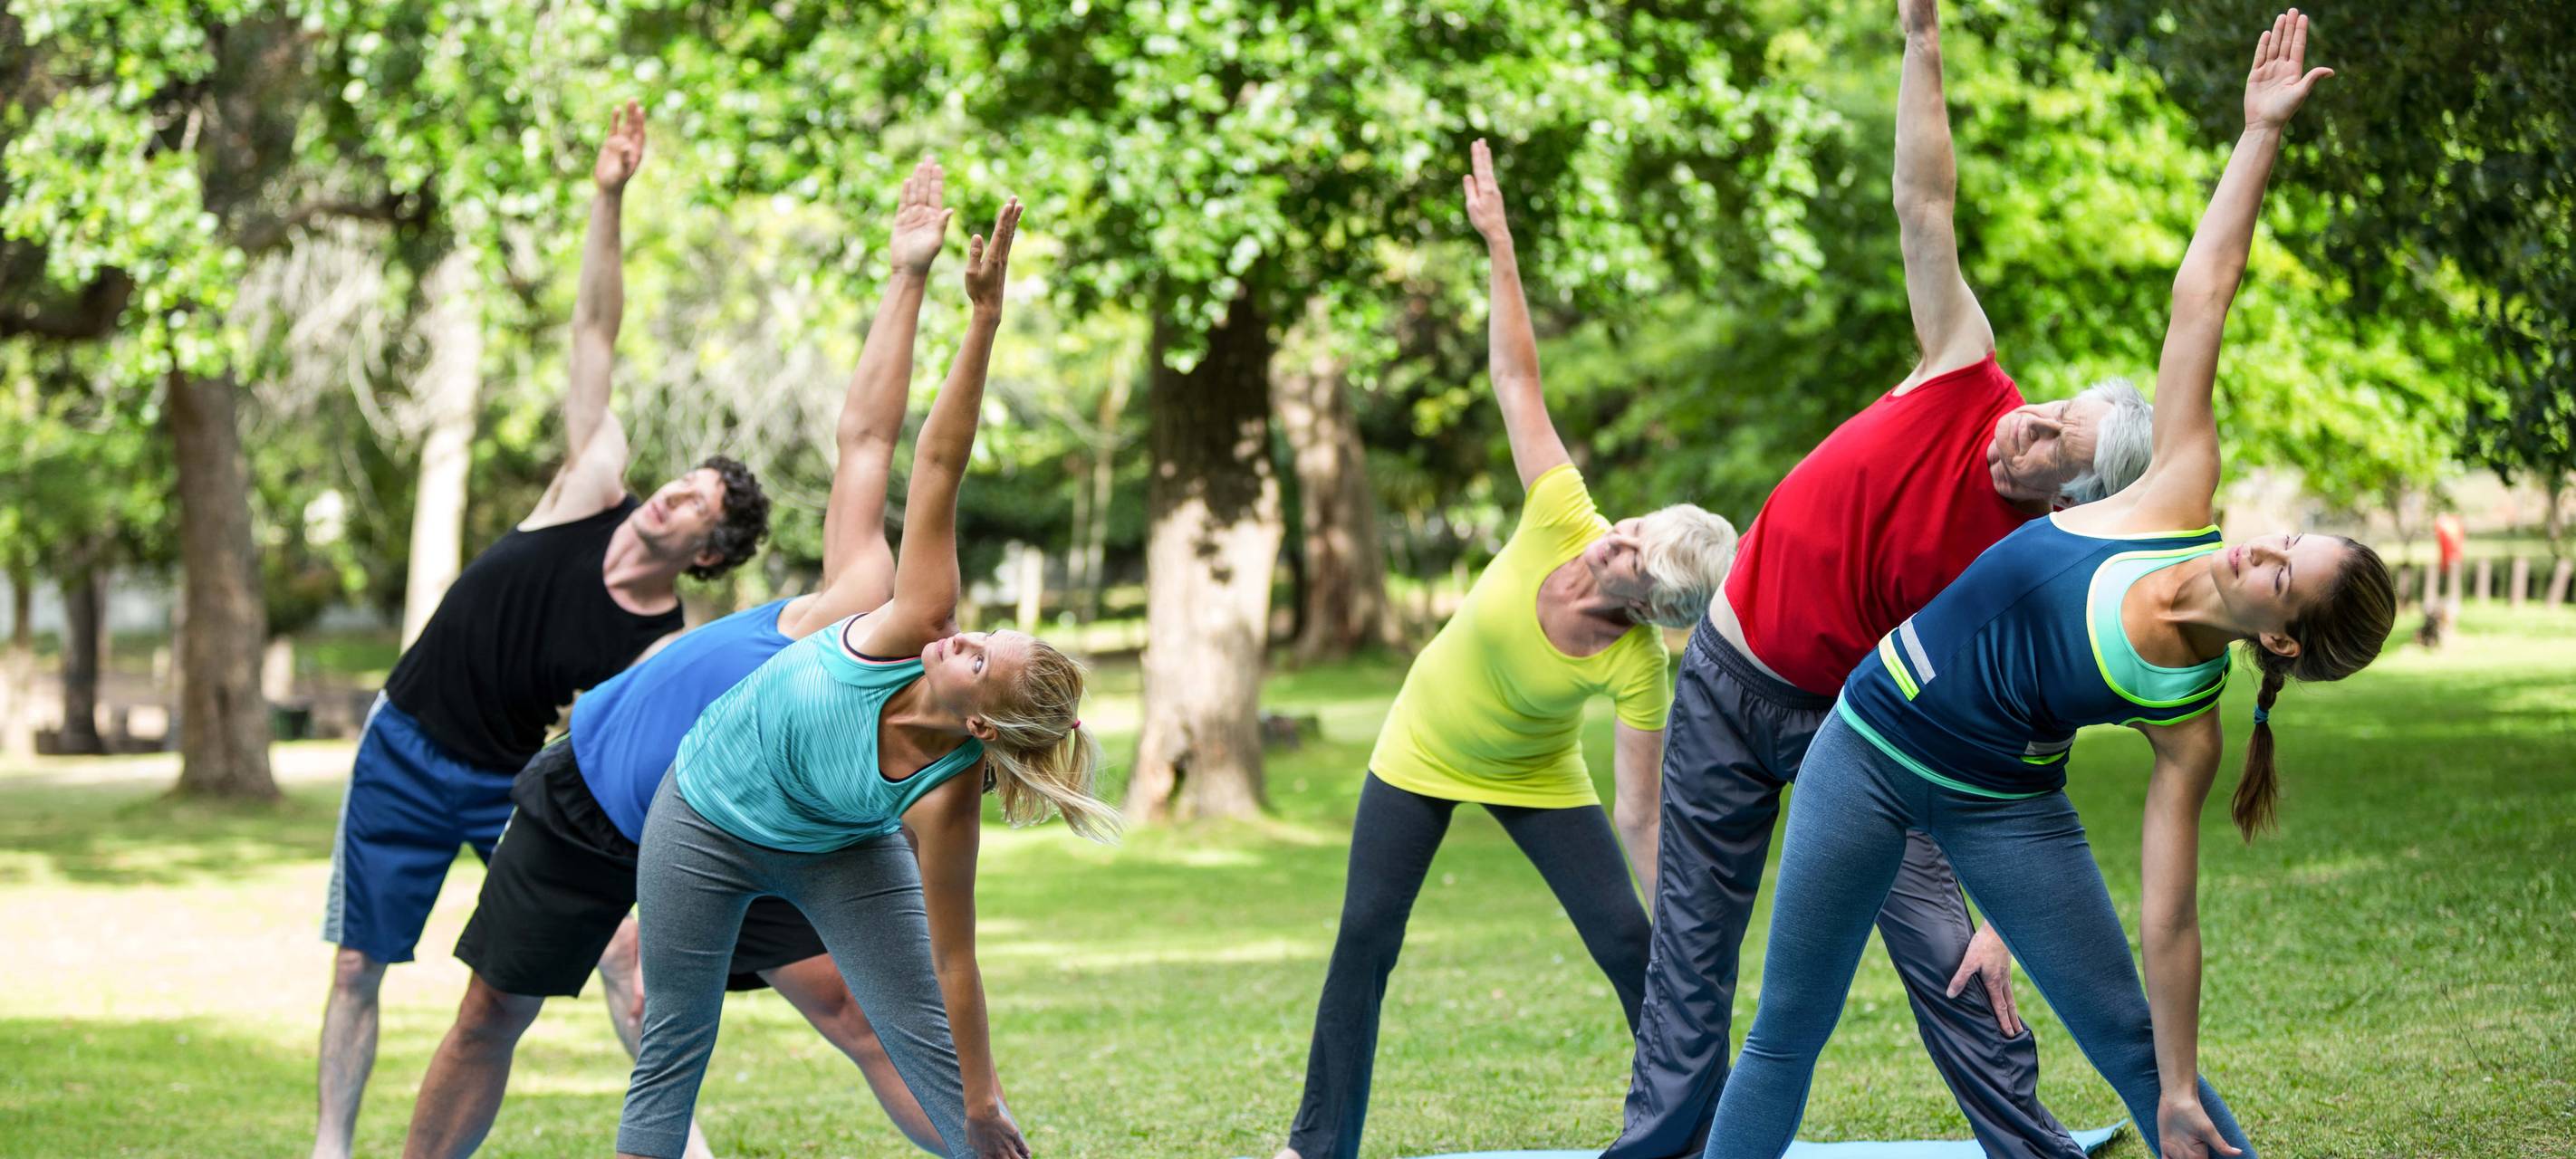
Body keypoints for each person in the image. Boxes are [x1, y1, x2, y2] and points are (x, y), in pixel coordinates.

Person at [1704, 14, 2389, 1159]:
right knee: (1787, 1029)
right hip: (1866, 742)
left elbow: (2168, 917)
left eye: (2282, 577)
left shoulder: (2187, 722)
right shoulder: (2177, 490)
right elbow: (2202, 291)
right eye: (2286, 539)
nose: (2259, 552)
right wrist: (2259, 135)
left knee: (2133, 1046)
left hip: (1999, 803)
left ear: (2278, 639)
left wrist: (2173, 1084)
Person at [1606, 0, 2161, 1153]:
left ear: (2077, 495)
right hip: (1724, 671)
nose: (2028, 430)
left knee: (1950, 953)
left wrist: (2007, 914)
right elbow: (1925, 204)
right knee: (1692, 956)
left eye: (2054, 442)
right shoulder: (1967, 370)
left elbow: (2020, 753)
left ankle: (2028, 1143)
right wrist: (1921, 42)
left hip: (1863, 733)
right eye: (2049, 411)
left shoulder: (2027, 567)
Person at [399, 159, 975, 1159]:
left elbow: (927, 900)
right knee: (492, 1011)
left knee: (857, 1013)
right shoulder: (856, 601)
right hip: (591, 801)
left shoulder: (899, 759)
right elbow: (872, 439)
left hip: (739, 836)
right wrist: (909, 276)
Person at [615, 196, 1122, 1159]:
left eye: (983, 659)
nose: (963, 637)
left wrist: (981, 1100)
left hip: (838, 848)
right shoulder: (919, 617)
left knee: (936, 1060)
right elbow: (939, 459)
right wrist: (982, 318)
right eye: (984, 631)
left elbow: (956, 961)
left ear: (983, 727)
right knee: (674, 1043)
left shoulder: (944, 801)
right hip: (706, 813)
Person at [312, 100, 771, 1159]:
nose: (672, 494)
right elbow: (593, 331)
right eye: (681, 480)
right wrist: (607, 196)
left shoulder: (656, 640)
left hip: (512, 785)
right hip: (405, 743)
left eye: (698, 502)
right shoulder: (588, 488)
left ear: (709, 549)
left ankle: (681, 1140)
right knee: (355, 961)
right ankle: (331, 1144)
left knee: (625, 956)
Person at [1274, 139, 1740, 1159]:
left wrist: (1682, 935)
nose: (1611, 539)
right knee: (1365, 940)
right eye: (1630, 526)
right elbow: (1515, 377)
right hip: (1420, 745)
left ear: (1655, 600)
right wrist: (1500, 244)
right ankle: (1317, 1144)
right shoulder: (1564, 512)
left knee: (1630, 944)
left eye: (1631, 552)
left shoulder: (1637, 665)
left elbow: (1640, 810)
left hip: (1535, 775)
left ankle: (1708, 1125)